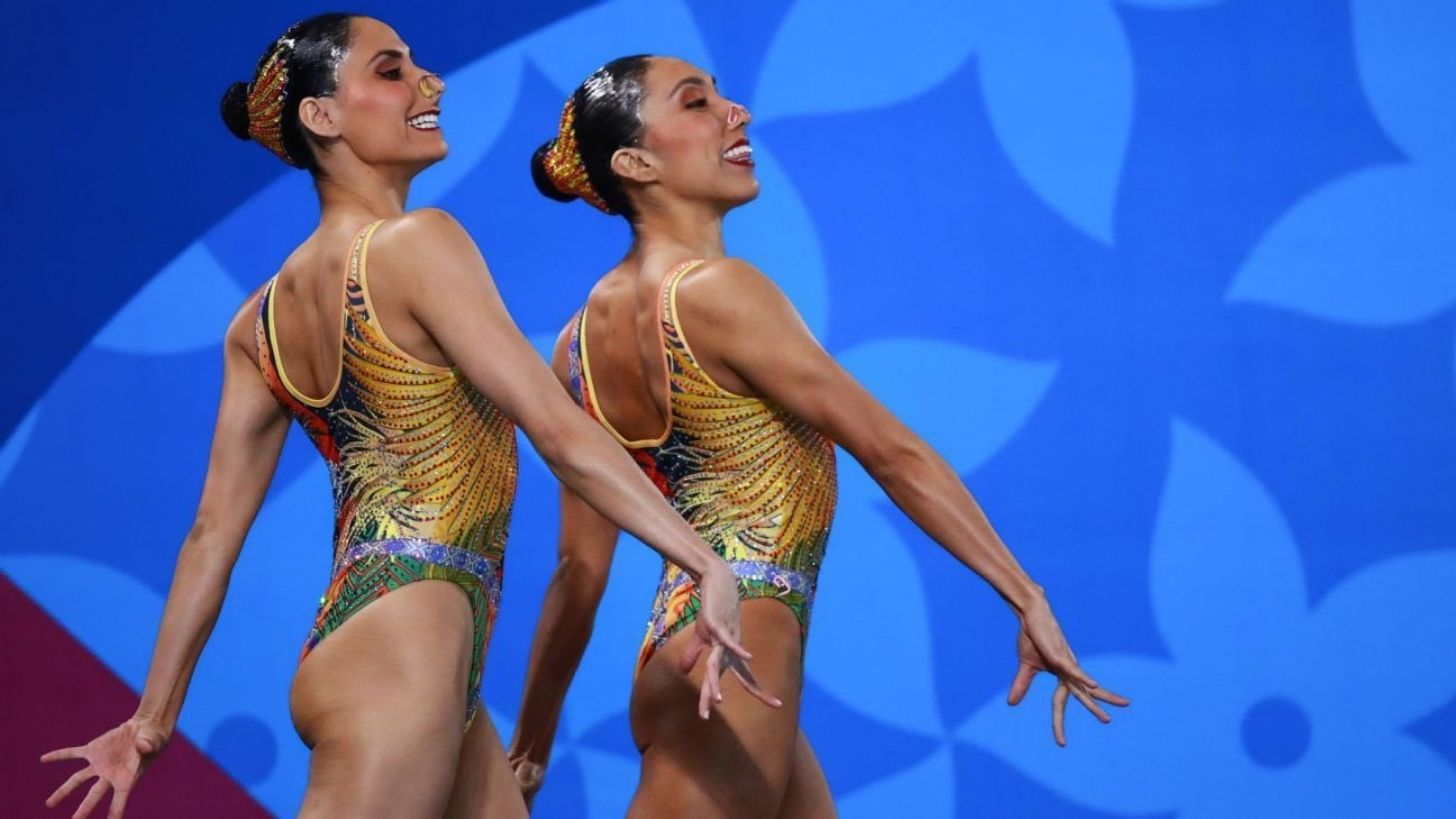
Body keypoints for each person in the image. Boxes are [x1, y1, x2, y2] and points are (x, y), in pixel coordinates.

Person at [40, 22, 769, 819]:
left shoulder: (258, 323)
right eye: (392, 71)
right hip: (403, 656)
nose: (432, 82)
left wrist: (151, 720)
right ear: (322, 116)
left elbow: (211, 536)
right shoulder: (416, 244)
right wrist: (704, 561)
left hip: (397, 648)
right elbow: (557, 430)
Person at [507, 55, 1130, 817]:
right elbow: (892, 452)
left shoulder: (574, 347)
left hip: (685, 649)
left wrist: (531, 746)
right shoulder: (720, 292)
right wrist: (1026, 595)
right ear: (636, 164)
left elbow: (578, 571)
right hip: (740, 648)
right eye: (696, 103)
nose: (736, 112)